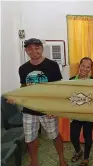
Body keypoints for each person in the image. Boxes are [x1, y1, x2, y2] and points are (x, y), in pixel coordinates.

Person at [7, 38, 67, 166]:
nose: (34, 51)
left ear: (42, 48)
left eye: (37, 48)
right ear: (26, 50)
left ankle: (62, 159)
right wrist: (16, 98)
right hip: (29, 110)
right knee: (30, 139)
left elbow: (57, 88)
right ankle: (34, 161)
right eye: (30, 48)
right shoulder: (23, 68)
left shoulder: (52, 65)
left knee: (55, 136)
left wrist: (54, 108)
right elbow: (24, 87)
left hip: (47, 110)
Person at [69, 57, 93, 166]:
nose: (85, 68)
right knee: (73, 137)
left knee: (87, 137)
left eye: (88, 67)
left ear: (90, 69)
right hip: (75, 115)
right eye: (83, 66)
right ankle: (79, 151)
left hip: (89, 115)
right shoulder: (70, 80)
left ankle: (86, 157)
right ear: (79, 66)